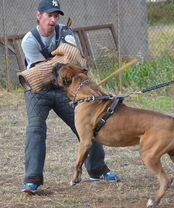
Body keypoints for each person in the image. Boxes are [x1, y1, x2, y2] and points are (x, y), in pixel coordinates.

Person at [21, 0, 119, 194]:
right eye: (49, 15)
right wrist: (63, 59)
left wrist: (66, 60)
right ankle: (32, 180)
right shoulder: (29, 41)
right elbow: (50, 70)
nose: (53, 20)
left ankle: (97, 170)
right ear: (38, 15)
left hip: (63, 89)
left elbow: (72, 59)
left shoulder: (65, 31)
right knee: (36, 129)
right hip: (38, 90)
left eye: (56, 16)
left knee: (86, 124)